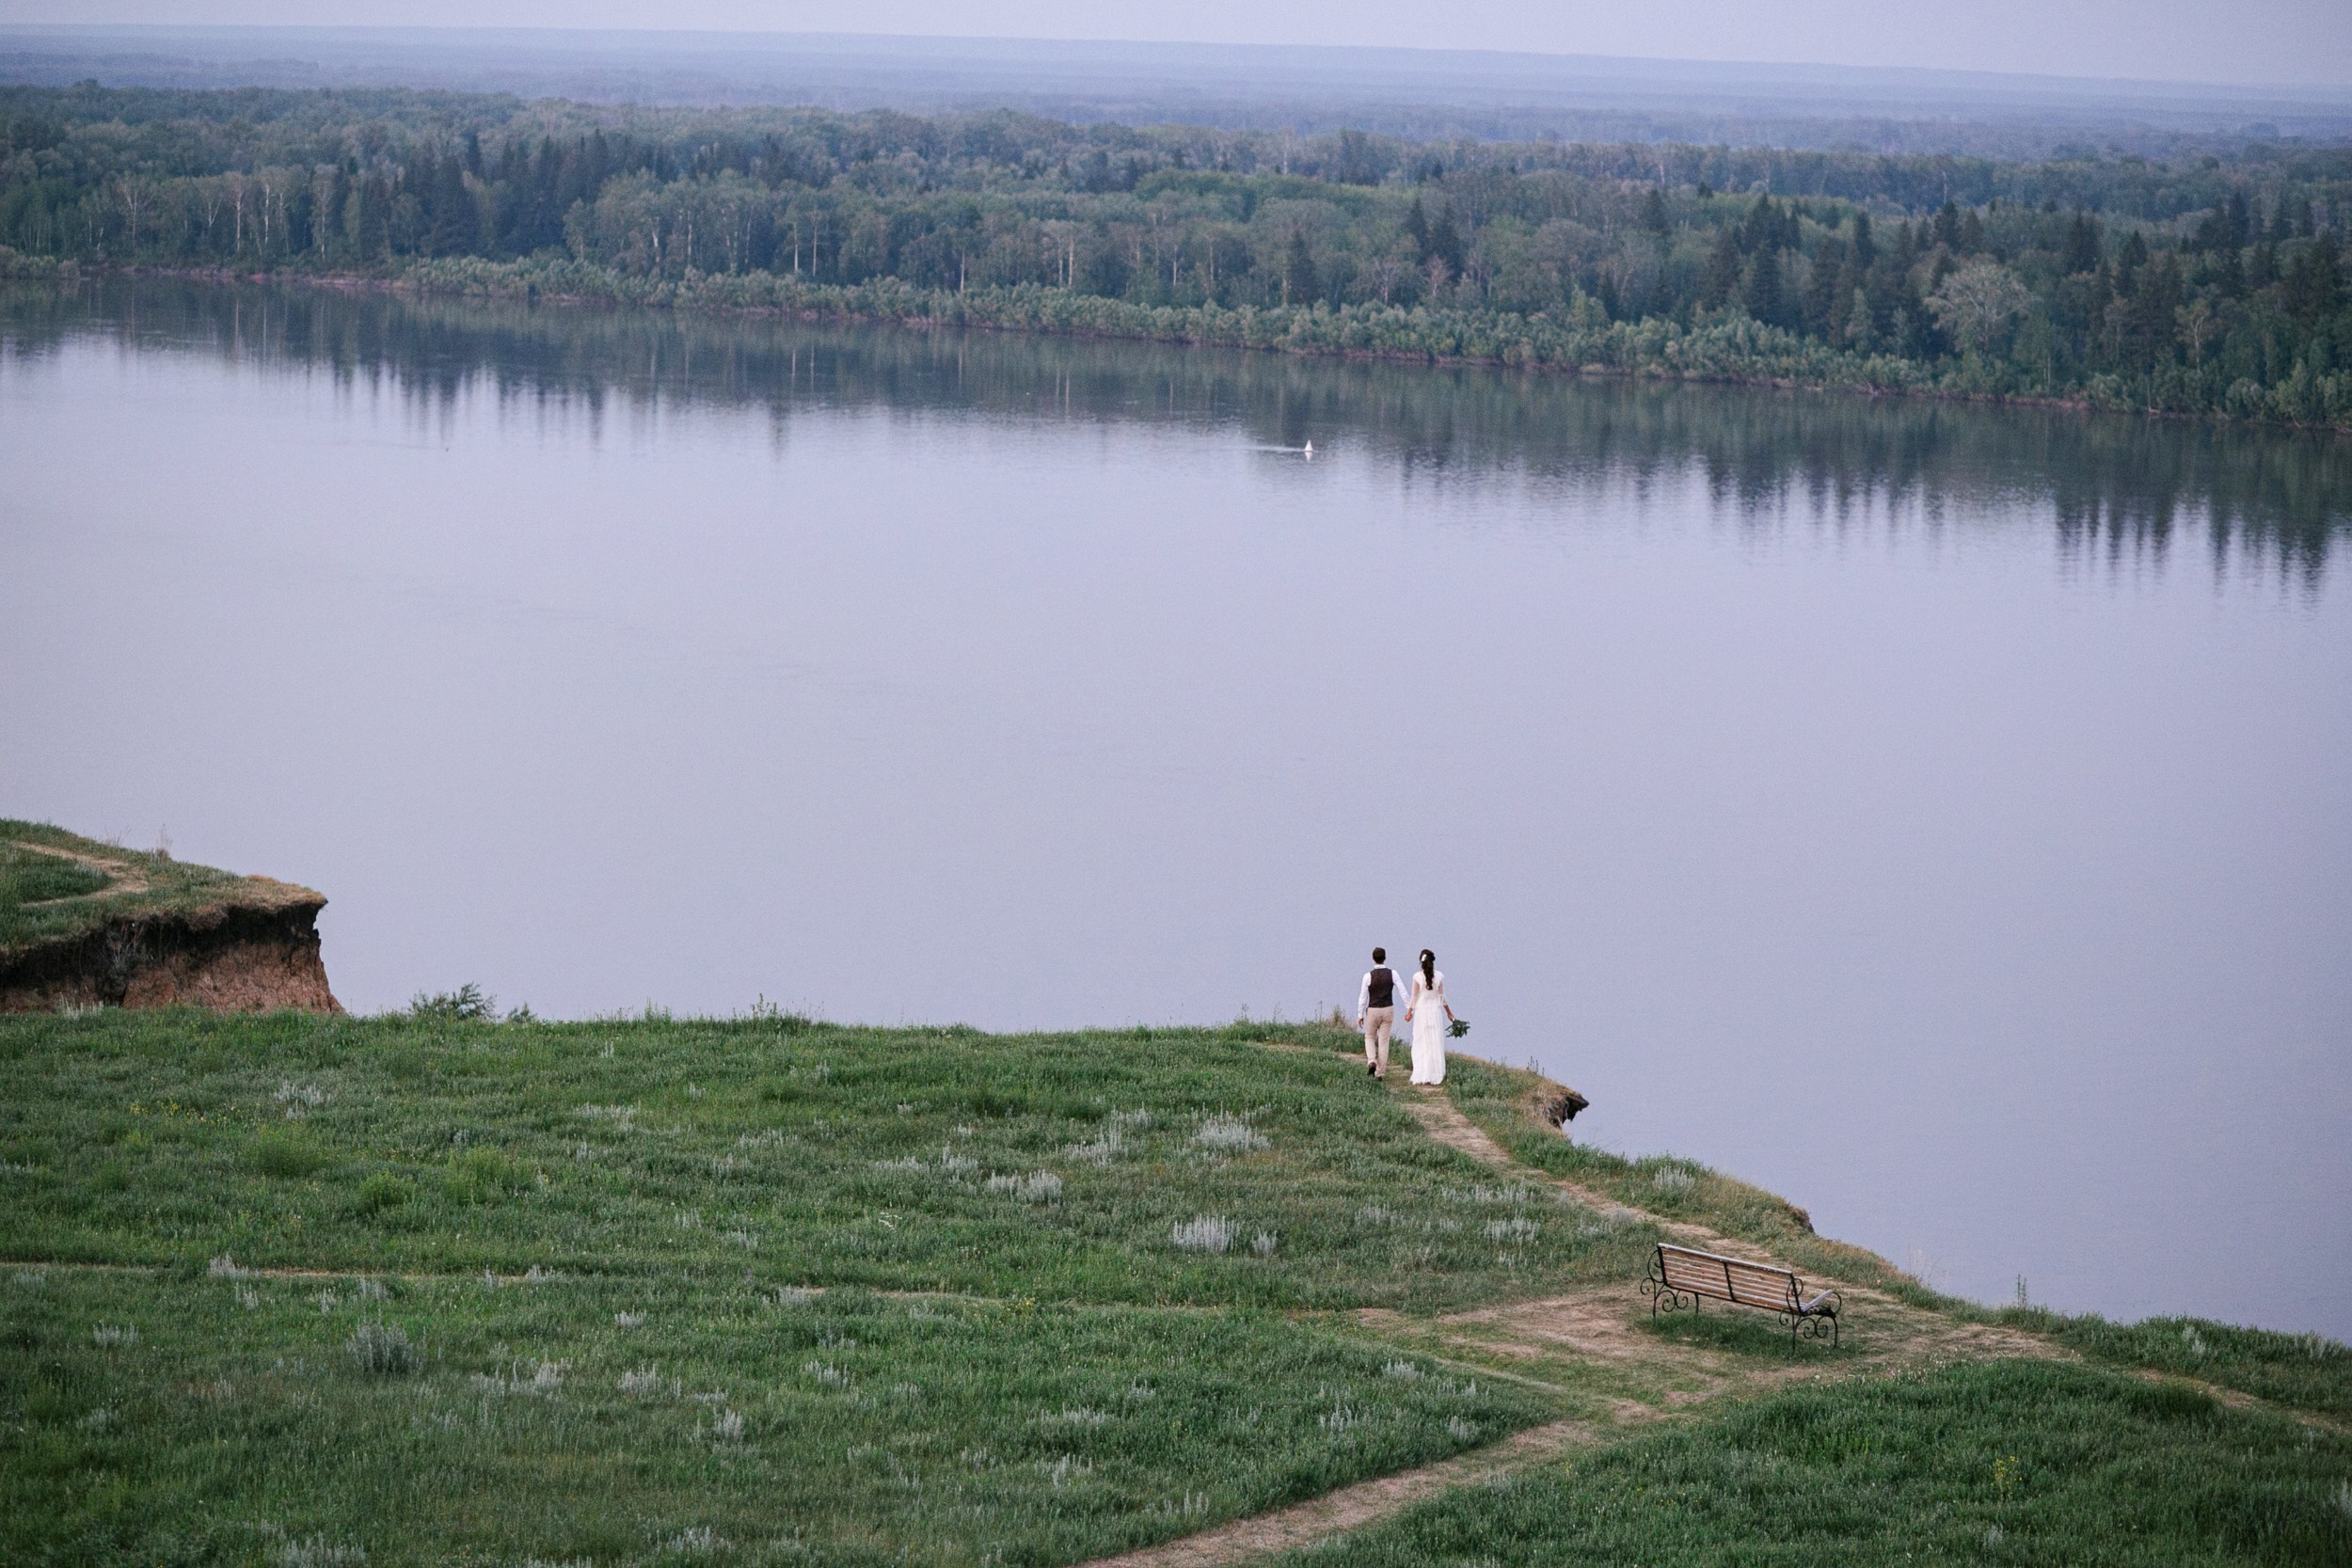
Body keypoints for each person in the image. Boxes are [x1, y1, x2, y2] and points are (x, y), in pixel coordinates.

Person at [1404, 948, 1454, 1086]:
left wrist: (1409, 1013)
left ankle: (1422, 1071)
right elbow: (1442, 997)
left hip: (1421, 1012)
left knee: (1421, 1042)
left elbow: (1414, 997)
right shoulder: (1439, 976)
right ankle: (1434, 1072)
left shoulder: (1417, 977)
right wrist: (1449, 1012)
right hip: (1435, 1013)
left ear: (1421, 961)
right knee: (1434, 1042)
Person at [1356, 947, 1401, 1079]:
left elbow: (1363, 997)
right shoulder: (1393, 974)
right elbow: (1402, 991)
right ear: (1384, 957)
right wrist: (1409, 1008)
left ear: (1373, 958)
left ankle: (1372, 1061)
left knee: (1370, 1037)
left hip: (1373, 1010)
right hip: (1388, 1009)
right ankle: (1379, 1073)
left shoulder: (1368, 976)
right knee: (1384, 1041)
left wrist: (1360, 1015)